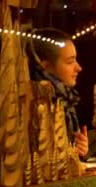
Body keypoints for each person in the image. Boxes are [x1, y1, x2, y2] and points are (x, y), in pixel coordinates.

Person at [28, 28, 88, 157]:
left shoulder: (66, 101)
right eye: (70, 62)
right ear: (45, 66)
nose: (78, 67)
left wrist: (79, 150)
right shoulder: (37, 105)